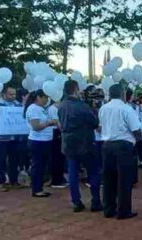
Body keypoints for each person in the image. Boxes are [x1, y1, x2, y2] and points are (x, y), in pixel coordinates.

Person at [99, 83, 142, 219]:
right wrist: (139, 138)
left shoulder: (103, 108)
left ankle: (108, 208)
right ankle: (123, 210)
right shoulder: (126, 109)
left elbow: (100, 127)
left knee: (108, 178)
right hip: (123, 146)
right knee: (124, 179)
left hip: (107, 145)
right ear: (122, 93)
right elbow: (136, 129)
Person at [58, 80, 102, 213]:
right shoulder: (81, 106)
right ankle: (95, 201)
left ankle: (76, 202)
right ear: (76, 89)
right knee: (93, 172)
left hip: (68, 142)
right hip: (85, 142)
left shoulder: (61, 105)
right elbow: (94, 122)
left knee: (73, 173)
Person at [26, 89, 57, 198]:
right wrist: (50, 123)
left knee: (42, 166)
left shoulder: (41, 109)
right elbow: (36, 126)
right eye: (45, 97)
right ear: (38, 97)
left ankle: (39, 187)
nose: (47, 100)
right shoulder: (33, 109)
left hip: (44, 141)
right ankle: (36, 189)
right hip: (37, 141)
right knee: (37, 165)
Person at [0, 85, 24, 192]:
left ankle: (13, 181)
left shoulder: (18, 105)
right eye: (11, 94)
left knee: (14, 160)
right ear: (4, 94)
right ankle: (1, 182)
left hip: (14, 137)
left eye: (14, 94)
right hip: (1, 138)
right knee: (1, 160)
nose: (13, 96)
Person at [48, 96, 68, 189]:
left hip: (58, 133)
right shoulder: (53, 109)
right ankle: (56, 180)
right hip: (55, 134)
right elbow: (57, 123)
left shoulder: (57, 108)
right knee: (56, 157)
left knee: (60, 157)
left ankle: (60, 177)